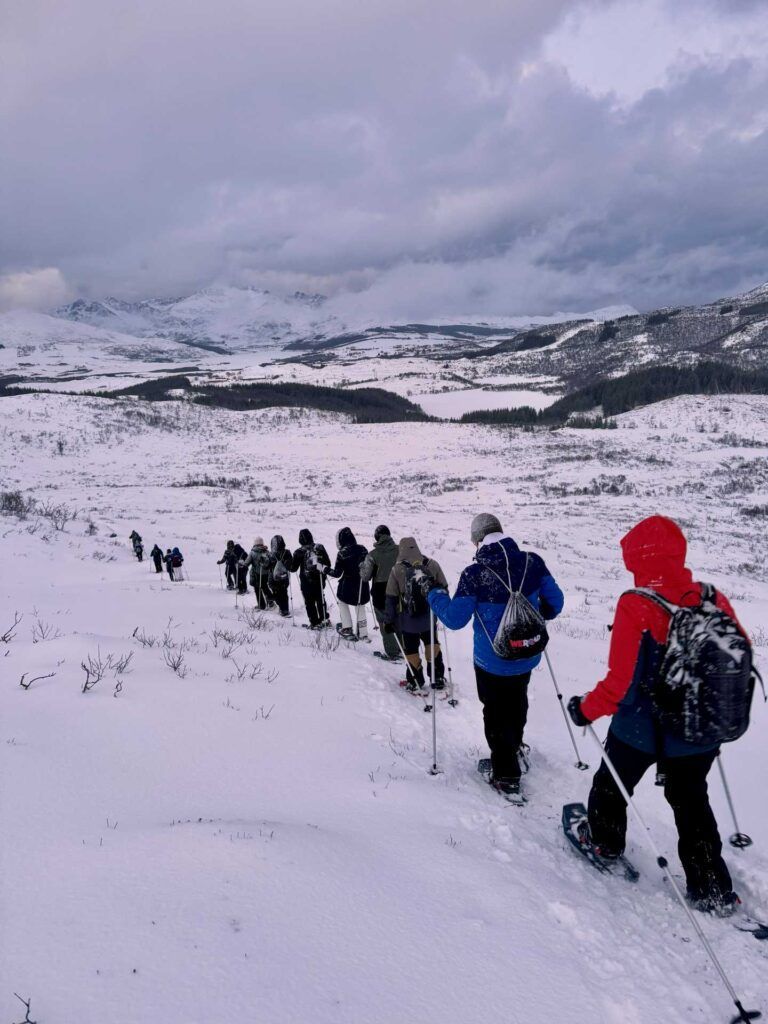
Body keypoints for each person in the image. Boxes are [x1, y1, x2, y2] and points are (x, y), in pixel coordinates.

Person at [567, 516, 747, 915]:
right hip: (700, 731)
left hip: (640, 730)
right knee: (691, 803)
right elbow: (738, 653)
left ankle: (604, 842)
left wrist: (584, 710)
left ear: (636, 557)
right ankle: (712, 889)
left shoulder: (636, 604)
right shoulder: (711, 597)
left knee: (612, 785)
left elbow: (620, 683)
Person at [427, 512, 564, 799]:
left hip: (492, 660)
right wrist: (534, 618)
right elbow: (556, 602)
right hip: (527, 652)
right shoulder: (532, 562)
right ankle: (514, 746)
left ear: (477, 540)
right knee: (517, 702)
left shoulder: (475, 574)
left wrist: (434, 595)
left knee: (495, 712)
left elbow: (454, 619)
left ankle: (506, 775)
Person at [383, 537, 448, 690]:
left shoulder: (397, 570)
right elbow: (444, 588)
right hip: (429, 618)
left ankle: (415, 681)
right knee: (432, 645)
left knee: (411, 650)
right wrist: (442, 610)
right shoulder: (432, 564)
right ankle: (437, 677)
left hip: (407, 622)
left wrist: (388, 621)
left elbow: (391, 598)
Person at [361, 525, 402, 661]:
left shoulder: (372, 555)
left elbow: (365, 577)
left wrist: (362, 567)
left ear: (377, 537)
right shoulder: (399, 550)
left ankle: (392, 652)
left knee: (385, 623)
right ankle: (406, 649)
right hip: (399, 590)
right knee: (399, 619)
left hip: (380, 593)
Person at [324, 527, 370, 640]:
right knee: (360, 606)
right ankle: (363, 632)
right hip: (362, 584)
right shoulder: (363, 549)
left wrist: (325, 569)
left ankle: (347, 628)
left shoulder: (342, 553)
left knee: (343, 603)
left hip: (348, 586)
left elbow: (337, 573)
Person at [291, 529, 331, 628]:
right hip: (320, 579)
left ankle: (314, 622)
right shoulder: (319, 547)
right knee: (321, 599)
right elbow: (328, 564)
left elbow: (293, 569)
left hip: (306, 581)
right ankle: (324, 619)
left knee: (309, 602)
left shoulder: (298, 552)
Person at [243, 538, 273, 609]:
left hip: (256, 574)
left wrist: (242, 564)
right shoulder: (267, 551)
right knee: (265, 587)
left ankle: (261, 605)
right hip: (266, 574)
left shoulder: (253, 552)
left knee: (257, 589)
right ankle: (271, 602)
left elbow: (246, 563)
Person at [269, 535, 293, 618]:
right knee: (284, 592)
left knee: (277, 592)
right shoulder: (287, 552)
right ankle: (285, 609)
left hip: (274, 577)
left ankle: (282, 608)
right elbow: (290, 564)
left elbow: (267, 566)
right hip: (284, 576)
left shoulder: (271, 554)